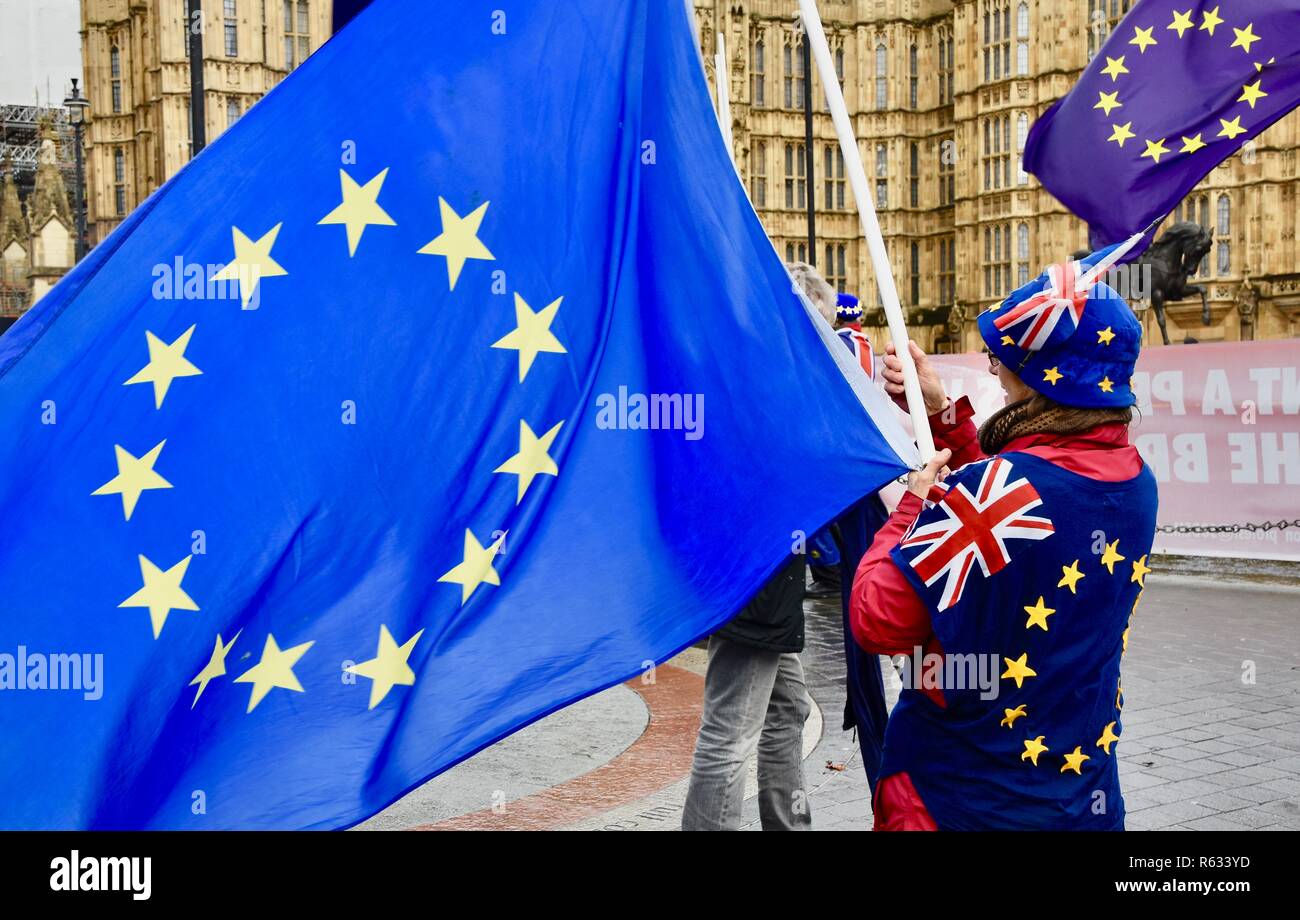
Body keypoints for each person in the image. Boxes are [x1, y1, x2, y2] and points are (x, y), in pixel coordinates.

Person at [850, 243, 1157, 830]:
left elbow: (878, 618)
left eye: (1002, 360)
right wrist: (943, 417)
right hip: (1077, 796)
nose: (994, 369)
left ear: (1042, 379)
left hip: (960, 795)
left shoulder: (995, 494)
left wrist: (912, 505)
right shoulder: (1135, 480)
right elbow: (1022, 517)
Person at [681, 262, 836, 831]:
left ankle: (787, 824)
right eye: (819, 328)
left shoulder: (752, 380)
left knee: (786, 709)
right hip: (755, 574)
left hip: (764, 574)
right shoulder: (769, 391)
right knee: (729, 731)